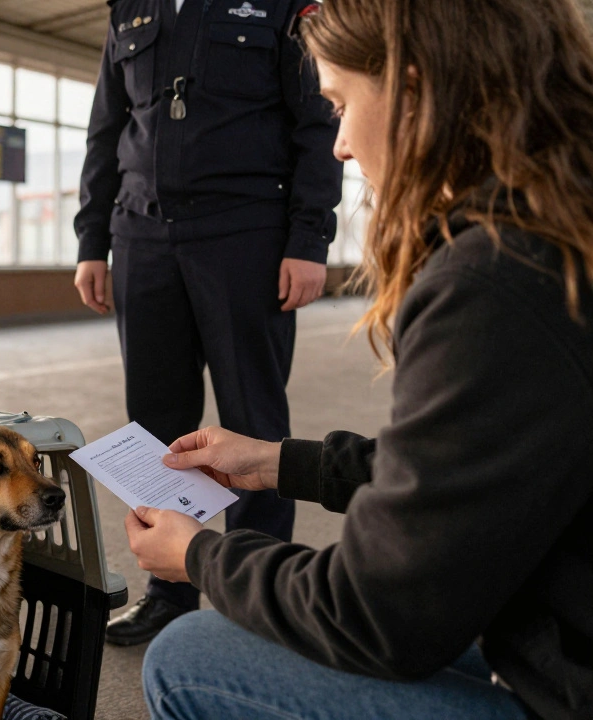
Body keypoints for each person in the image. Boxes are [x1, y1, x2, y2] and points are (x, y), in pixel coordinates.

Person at [126, 1, 593, 718]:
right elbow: (469, 464)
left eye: (341, 103)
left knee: (191, 656)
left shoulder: (494, 280)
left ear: (414, 91)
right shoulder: (558, 232)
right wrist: (282, 462)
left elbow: (377, 616)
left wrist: (200, 558)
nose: (339, 144)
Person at [74, 0, 343, 644]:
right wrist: (91, 241)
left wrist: (308, 239)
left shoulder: (282, 6)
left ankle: (254, 601)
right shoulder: (129, 11)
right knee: (154, 428)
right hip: (140, 234)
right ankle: (168, 590)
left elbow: (317, 122)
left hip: (246, 233)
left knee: (253, 423)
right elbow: (105, 130)